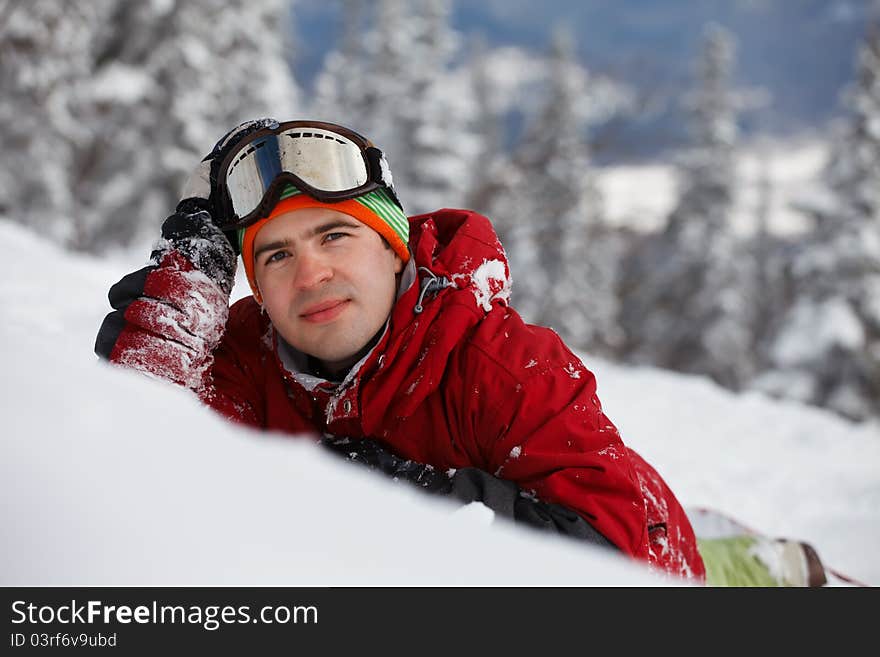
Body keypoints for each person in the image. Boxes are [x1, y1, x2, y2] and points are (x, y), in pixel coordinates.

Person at [95, 118, 709, 582]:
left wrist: (415, 499)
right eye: (277, 254)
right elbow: (142, 477)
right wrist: (188, 286)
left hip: (667, 555)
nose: (310, 275)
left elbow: (621, 571)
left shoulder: (502, 364)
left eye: (335, 236)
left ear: (394, 249)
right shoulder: (245, 361)